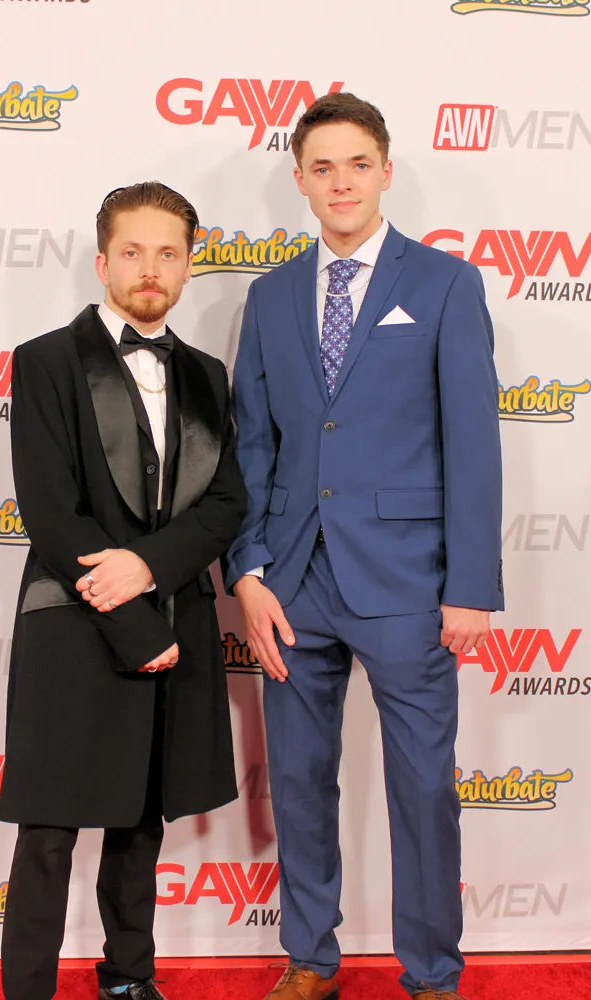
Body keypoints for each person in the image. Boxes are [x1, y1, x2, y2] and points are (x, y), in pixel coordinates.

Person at [224, 93, 503, 1000]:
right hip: (290, 581)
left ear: (384, 171)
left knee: (422, 787)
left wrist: (470, 585)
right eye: (321, 167)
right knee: (299, 782)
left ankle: (431, 974)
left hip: (408, 583)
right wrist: (248, 569)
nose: (339, 182)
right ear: (299, 181)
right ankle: (310, 958)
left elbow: (472, 442)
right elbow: (251, 444)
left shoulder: (445, 284)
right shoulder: (269, 296)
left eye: (355, 164)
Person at [0, 182, 247, 1000]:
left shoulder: (208, 374)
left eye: (167, 253)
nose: (150, 268)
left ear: (188, 265)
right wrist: (134, 621)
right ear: (102, 263)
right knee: (48, 829)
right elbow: (49, 509)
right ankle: (26, 991)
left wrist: (148, 569)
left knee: (140, 820)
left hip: (176, 614)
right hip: (74, 622)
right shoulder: (44, 360)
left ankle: (129, 979)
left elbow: (225, 504)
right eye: (132, 251)